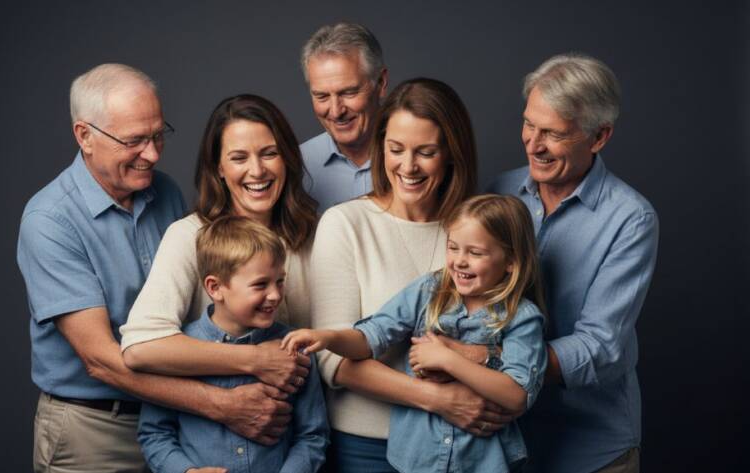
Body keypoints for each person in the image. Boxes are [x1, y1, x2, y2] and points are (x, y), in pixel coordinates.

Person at [308, 77, 516, 472]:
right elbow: (333, 362)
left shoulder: (478, 228)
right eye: (395, 149)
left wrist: (476, 361)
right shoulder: (345, 224)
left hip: (468, 450)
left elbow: (515, 336)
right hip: (367, 449)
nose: (408, 166)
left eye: (426, 152)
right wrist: (439, 399)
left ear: (451, 154)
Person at [284, 194, 548, 472]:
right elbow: (371, 337)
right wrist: (328, 338)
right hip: (415, 459)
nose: (459, 261)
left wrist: (448, 359)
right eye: (453, 248)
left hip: (483, 463)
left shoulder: (522, 317)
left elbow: (517, 394)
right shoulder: (430, 290)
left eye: (475, 253)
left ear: (510, 261)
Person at [490, 53, 659, 473]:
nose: (533, 144)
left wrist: (483, 360)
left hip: (592, 451)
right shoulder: (500, 193)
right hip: (503, 445)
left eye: (553, 133)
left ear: (599, 137)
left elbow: (599, 346)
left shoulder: (631, 219)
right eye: (529, 124)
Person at [17, 63, 189, 472]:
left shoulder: (167, 193)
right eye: (134, 141)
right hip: (93, 430)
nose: (153, 154)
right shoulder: (49, 220)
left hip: (172, 425)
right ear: (85, 136)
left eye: (158, 135)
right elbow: (102, 360)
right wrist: (222, 404)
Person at [120, 95, 319, 446]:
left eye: (269, 153)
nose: (257, 171)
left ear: (288, 158)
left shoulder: (314, 235)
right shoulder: (189, 237)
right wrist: (255, 360)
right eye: (239, 158)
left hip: (305, 440)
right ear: (218, 169)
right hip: (218, 443)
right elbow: (141, 348)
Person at [138, 216, 329, 473]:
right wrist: (185, 471)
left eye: (280, 281)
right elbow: (154, 433)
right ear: (215, 288)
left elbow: (312, 436)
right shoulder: (178, 350)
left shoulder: (297, 348)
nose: (275, 295)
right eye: (260, 284)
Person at [299, 22, 388, 213]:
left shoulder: (413, 160)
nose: (336, 111)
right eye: (322, 96)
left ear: (380, 83)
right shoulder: (295, 166)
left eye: (348, 92)